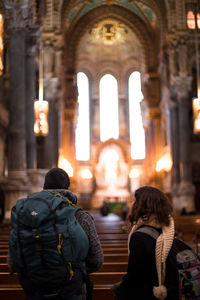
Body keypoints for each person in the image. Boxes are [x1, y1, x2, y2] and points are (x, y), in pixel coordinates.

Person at [8, 168, 103, 300]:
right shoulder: (80, 216)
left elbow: (12, 262)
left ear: (43, 187)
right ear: (68, 188)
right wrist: (75, 269)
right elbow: (97, 260)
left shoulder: (26, 214)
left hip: (34, 290)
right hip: (71, 290)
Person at [120, 186, 179, 300]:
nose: (131, 204)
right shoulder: (166, 231)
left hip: (148, 294)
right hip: (169, 292)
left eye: (134, 201)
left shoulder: (139, 237)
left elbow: (134, 276)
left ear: (142, 206)